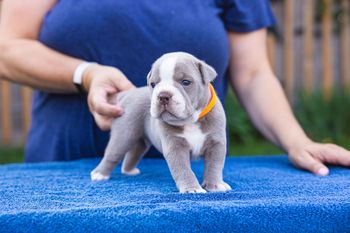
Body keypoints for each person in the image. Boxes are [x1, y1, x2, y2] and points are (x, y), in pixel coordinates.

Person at [0, 0, 349, 176]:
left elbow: (253, 72)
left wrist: (298, 141)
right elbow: (6, 46)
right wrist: (84, 74)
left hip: (190, 187)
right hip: (65, 171)